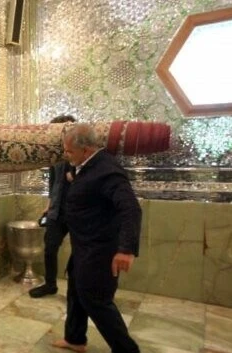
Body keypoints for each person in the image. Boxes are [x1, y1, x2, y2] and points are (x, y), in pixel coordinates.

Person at [52, 123, 141, 353]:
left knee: (96, 300)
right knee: (76, 292)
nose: (66, 155)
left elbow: (130, 208)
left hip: (100, 251)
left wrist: (126, 249)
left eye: (69, 151)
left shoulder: (107, 170)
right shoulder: (89, 166)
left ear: (87, 150)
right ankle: (75, 338)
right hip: (84, 246)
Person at [29, 114, 76, 298]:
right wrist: (49, 205)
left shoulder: (78, 152)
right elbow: (54, 182)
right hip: (57, 211)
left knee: (78, 251)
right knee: (50, 247)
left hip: (77, 211)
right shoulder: (54, 155)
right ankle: (50, 284)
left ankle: (76, 289)